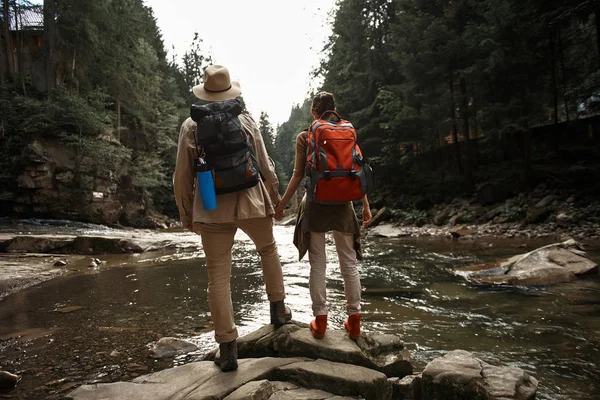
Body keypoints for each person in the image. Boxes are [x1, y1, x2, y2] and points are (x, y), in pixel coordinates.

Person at [173, 65, 291, 372]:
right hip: (252, 201)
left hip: (212, 207)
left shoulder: (191, 125)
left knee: (218, 277)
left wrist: (187, 214)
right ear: (230, 91)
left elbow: (182, 178)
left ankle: (227, 350)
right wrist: (275, 197)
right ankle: (278, 311)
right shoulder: (245, 119)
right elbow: (264, 163)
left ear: (204, 93)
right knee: (268, 251)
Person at [275, 91, 371, 340]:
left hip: (316, 203)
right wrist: (366, 206)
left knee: (318, 265)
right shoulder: (347, 132)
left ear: (313, 112)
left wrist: (282, 205)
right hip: (344, 205)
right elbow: (356, 172)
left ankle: (320, 322)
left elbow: (298, 175)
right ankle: (355, 321)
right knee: (348, 263)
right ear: (334, 109)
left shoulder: (305, 136)